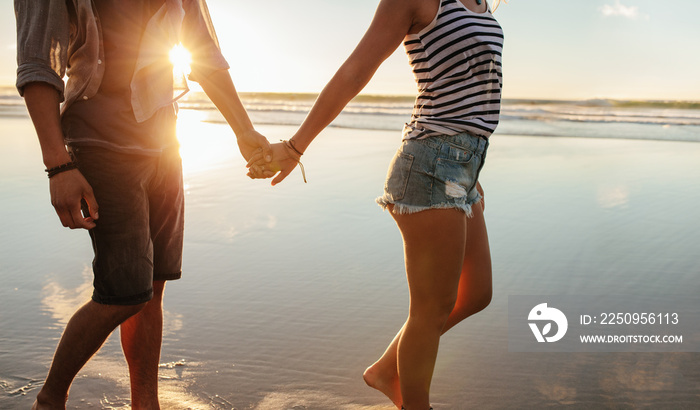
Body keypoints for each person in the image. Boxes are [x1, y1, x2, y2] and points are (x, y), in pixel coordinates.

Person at [15, 0, 271, 408]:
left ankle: (144, 403)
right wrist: (57, 165)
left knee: (152, 287)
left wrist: (244, 131)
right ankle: (50, 399)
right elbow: (37, 62)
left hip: (165, 144)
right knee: (125, 290)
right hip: (100, 142)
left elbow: (201, 49)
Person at [249, 0, 504, 408]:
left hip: (463, 167)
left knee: (475, 293)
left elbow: (469, 95)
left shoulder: (480, 2)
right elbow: (356, 69)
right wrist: (297, 146)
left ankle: (387, 370)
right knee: (432, 308)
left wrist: (473, 175)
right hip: (431, 164)